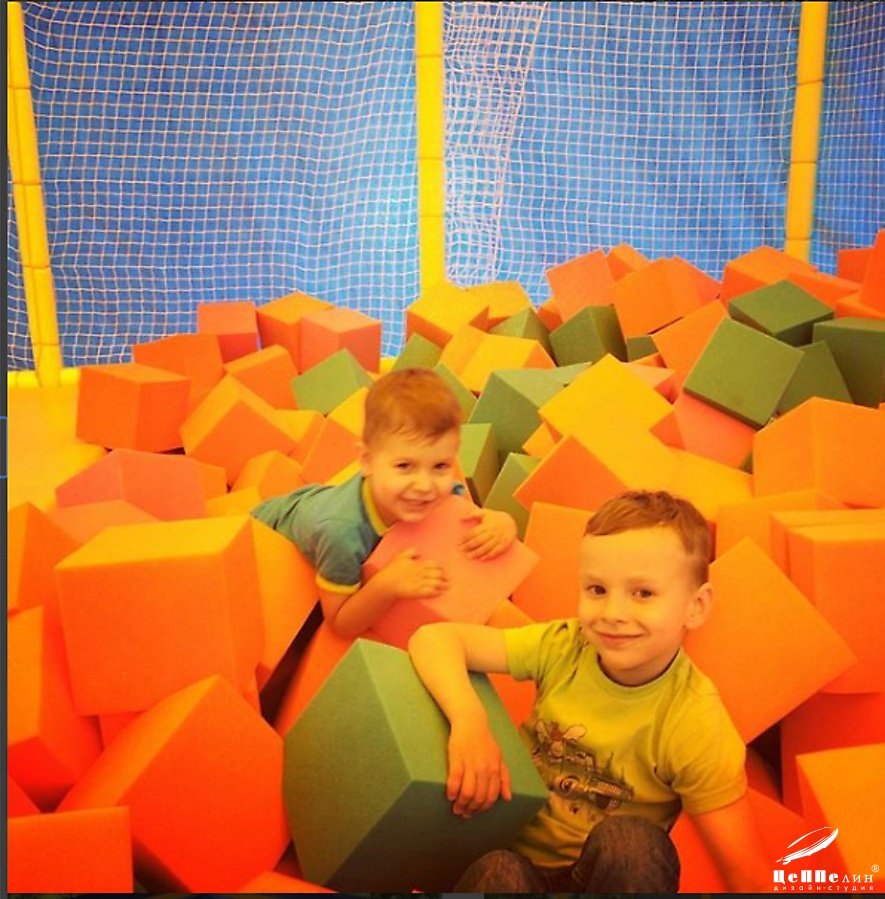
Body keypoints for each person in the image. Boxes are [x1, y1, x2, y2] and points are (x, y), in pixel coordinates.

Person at [408, 489, 771, 893]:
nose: (613, 614)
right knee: (498, 871)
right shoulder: (563, 646)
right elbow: (434, 639)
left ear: (696, 606)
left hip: (605, 879)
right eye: (597, 590)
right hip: (515, 862)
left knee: (631, 845)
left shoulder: (694, 719)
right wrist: (469, 722)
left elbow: (744, 870)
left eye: (643, 593)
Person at [252, 367, 518, 639]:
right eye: (405, 466)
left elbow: (467, 514)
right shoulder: (341, 534)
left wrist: (501, 522)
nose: (425, 486)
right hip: (268, 536)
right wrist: (387, 585)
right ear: (366, 461)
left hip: (321, 502)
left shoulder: (437, 495)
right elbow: (340, 623)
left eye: (440, 466)